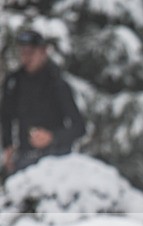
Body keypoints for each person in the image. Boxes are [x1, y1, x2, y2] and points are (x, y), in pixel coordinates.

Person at [1, 29, 86, 178]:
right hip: (24, 156)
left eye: (31, 53)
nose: (26, 58)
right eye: (23, 53)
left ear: (43, 52)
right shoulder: (14, 82)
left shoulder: (57, 84)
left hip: (55, 160)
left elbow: (79, 127)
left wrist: (52, 137)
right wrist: (8, 146)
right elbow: (6, 117)